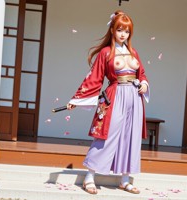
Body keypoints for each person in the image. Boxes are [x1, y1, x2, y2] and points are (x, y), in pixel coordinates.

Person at [67, 10, 150, 195]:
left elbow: (141, 73)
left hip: (135, 99)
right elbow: (94, 78)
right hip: (115, 95)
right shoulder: (105, 53)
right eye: (120, 29)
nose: (123, 34)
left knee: (131, 137)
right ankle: (90, 177)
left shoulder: (133, 52)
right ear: (112, 29)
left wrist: (144, 83)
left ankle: (125, 179)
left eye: (127, 31)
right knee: (106, 136)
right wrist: (77, 99)